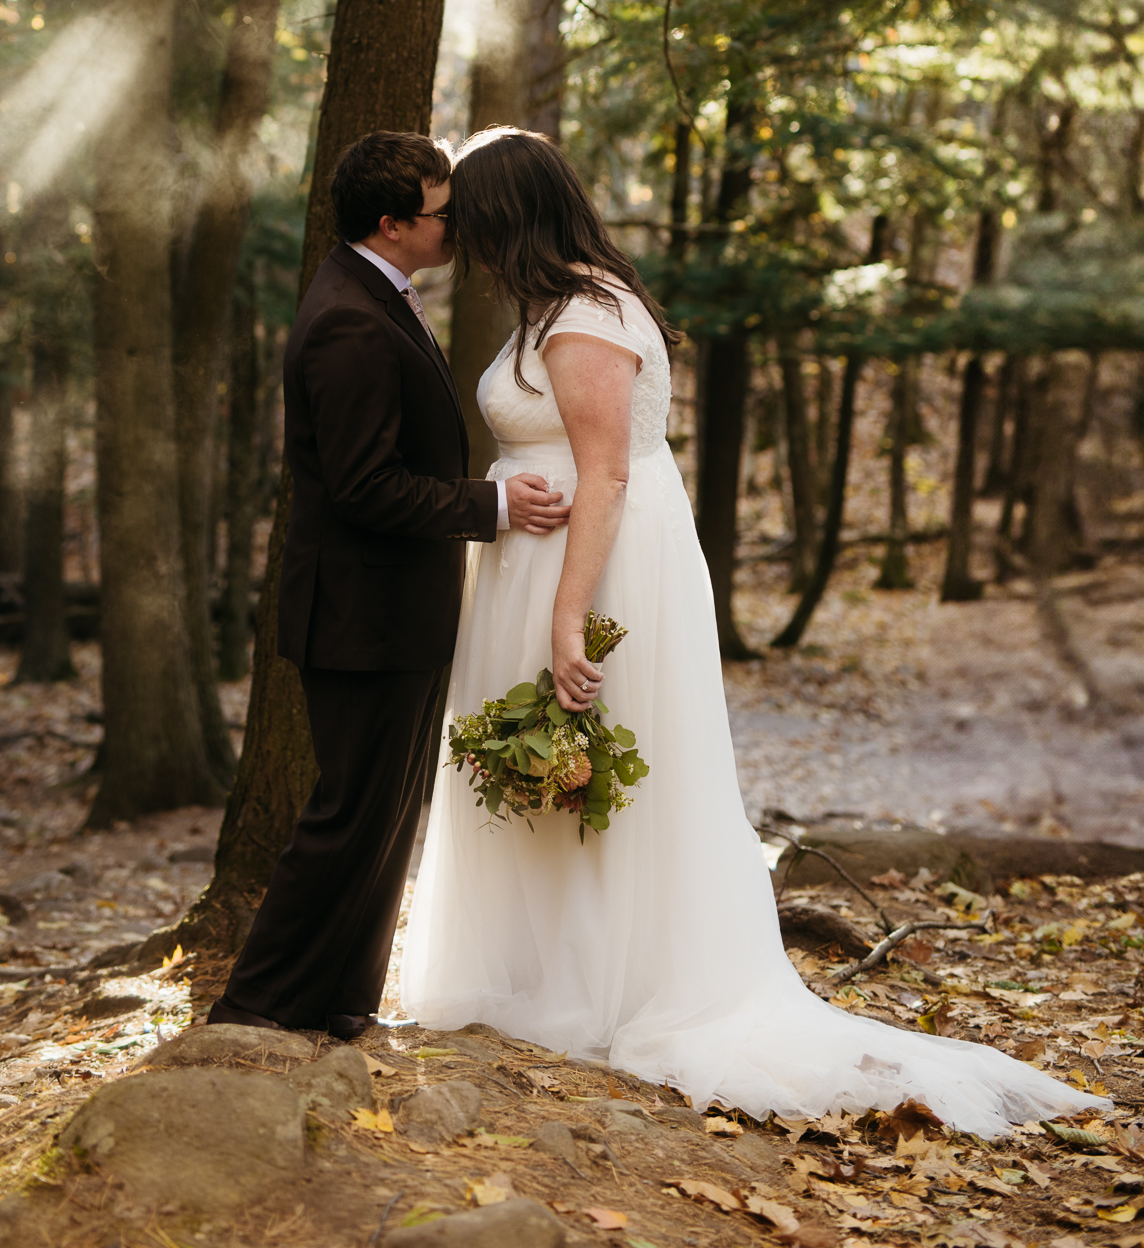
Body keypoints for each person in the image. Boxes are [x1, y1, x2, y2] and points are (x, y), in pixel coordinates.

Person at [400, 127, 1097, 1137]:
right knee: (552, 775)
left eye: (468, 211)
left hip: (587, 566)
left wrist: (568, 616)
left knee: (594, 768)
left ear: (508, 213)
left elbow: (606, 470)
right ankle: (546, 968)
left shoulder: (586, 313)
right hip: (541, 559)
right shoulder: (555, 304)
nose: (455, 230)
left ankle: (601, 983)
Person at [209, 130, 568, 1041]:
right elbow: (363, 486)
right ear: (391, 222)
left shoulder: (381, 296)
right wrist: (486, 506)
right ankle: (253, 1007)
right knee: (346, 818)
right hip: (360, 616)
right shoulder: (348, 320)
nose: (458, 227)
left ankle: (334, 1003)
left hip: (394, 612)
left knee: (381, 822)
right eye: (443, 214)